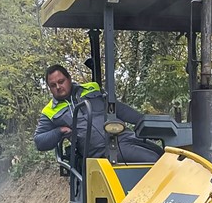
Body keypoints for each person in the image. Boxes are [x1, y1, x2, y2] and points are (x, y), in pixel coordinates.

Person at [33, 64, 161, 163]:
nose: (58, 87)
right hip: (101, 151)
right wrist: (59, 131)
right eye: (53, 85)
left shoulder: (91, 89)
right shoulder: (49, 111)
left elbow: (118, 109)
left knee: (164, 155)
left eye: (61, 82)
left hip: (125, 137)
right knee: (153, 159)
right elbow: (39, 141)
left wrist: (144, 121)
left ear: (69, 79)